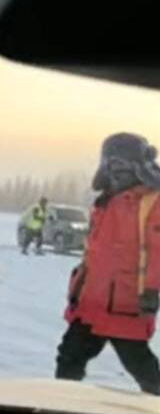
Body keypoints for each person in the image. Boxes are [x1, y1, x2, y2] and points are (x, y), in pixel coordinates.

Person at [55, 133, 160, 395]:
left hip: (126, 305)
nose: (115, 174)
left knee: (142, 368)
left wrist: (151, 290)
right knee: (68, 359)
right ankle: (60, 410)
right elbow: (93, 254)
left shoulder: (151, 203)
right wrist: (78, 289)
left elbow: (157, 251)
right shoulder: (105, 201)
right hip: (92, 303)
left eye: (121, 167)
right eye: (111, 167)